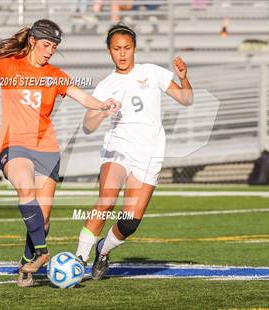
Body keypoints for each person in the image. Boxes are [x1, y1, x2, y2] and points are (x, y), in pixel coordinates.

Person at [0, 19, 120, 287]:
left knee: (43, 221)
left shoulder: (56, 75)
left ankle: (26, 266)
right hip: (14, 145)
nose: (50, 50)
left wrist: (103, 105)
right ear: (33, 41)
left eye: (54, 46)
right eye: (47, 45)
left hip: (46, 148)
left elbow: (82, 97)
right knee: (26, 190)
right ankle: (43, 252)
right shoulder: (8, 64)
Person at [75, 23, 193, 279]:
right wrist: (103, 111)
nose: (122, 53)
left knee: (130, 222)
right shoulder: (106, 85)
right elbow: (87, 125)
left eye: (127, 48)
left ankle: (102, 251)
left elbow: (186, 99)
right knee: (106, 200)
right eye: (116, 48)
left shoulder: (151, 72)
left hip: (149, 155)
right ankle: (78, 260)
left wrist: (183, 78)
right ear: (109, 51)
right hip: (117, 148)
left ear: (135, 48)